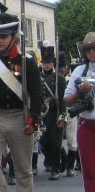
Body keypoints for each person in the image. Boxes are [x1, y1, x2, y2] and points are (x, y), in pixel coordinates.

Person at [0, 13, 42, 192]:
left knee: (22, 167)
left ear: (13, 36)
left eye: (3, 36)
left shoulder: (26, 62)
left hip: (20, 115)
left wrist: (34, 119)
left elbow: (36, 94)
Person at [63, 31, 95, 192]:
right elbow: (67, 100)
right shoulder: (79, 71)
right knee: (90, 172)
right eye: (88, 49)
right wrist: (80, 92)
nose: (92, 52)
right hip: (87, 124)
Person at [38, 41, 67, 181]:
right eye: (44, 62)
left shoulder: (59, 79)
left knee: (55, 142)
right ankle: (52, 160)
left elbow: (62, 100)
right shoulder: (38, 77)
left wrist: (63, 116)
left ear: (53, 63)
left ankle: (55, 169)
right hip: (42, 115)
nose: (46, 64)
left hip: (55, 114)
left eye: (49, 62)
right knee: (43, 142)